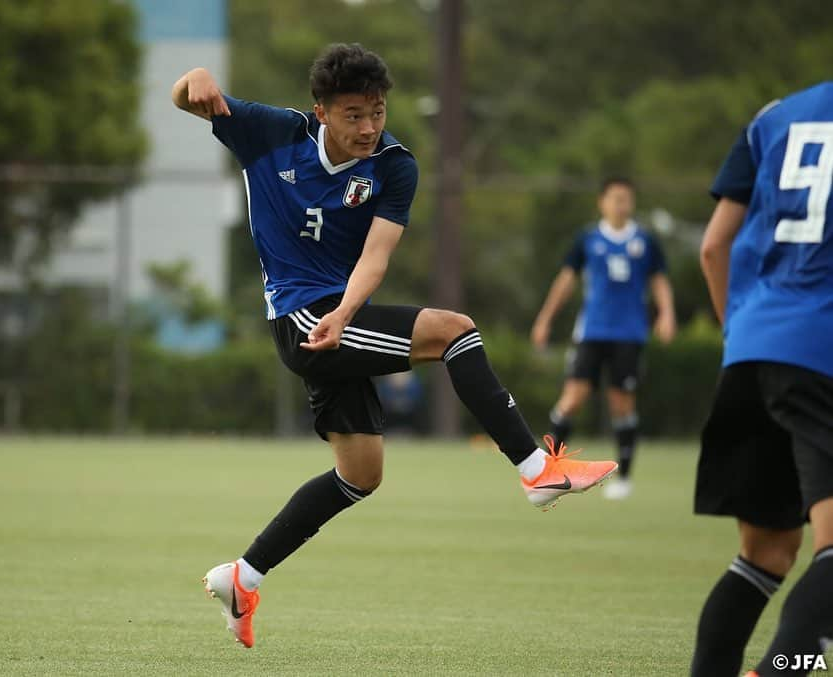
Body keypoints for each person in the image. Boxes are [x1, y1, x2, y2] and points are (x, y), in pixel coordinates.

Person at [172, 43, 617, 648]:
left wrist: (346, 314)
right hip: (299, 316)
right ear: (321, 110)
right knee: (454, 329)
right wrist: (191, 79)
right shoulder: (273, 133)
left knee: (361, 475)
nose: (369, 126)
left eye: (377, 111)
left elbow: (375, 257)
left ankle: (242, 577)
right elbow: (192, 99)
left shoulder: (394, 164)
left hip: (334, 315)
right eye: (353, 114)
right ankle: (537, 470)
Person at [691, 82, 833, 677]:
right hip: (822, 351)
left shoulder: (777, 115)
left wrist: (741, 336)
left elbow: (713, 247)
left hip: (751, 345)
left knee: (766, 556)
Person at [531, 178, 676, 500]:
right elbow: (566, 281)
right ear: (602, 202)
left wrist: (667, 313)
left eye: (626, 199)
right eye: (615, 199)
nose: (620, 205)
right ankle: (549, 470)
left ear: (632, 203)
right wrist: (545, 319)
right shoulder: (587, 239)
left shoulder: (645, 242)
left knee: (621, 404)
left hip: (629, 334)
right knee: (571, 400)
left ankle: (623, 478)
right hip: (592, 332)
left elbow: (659, 281)